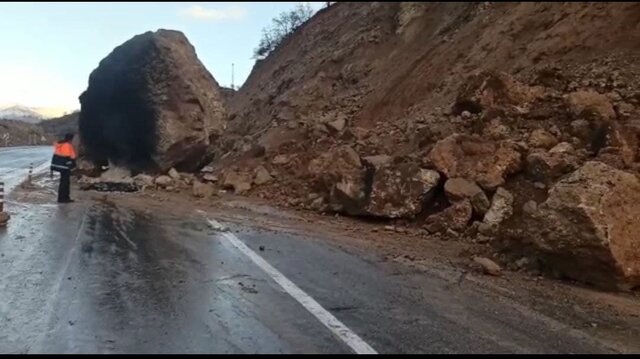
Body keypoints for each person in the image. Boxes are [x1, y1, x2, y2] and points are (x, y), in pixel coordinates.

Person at [50, 133, 77, 203]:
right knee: (65, 183)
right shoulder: (67, 145)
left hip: (59, 166)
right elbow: (67, 157)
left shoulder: (60, 144)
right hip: (64, 167)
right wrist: (71, 166)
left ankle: (61, 198)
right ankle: (64, 199)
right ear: (70, 139)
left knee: (63, 182)